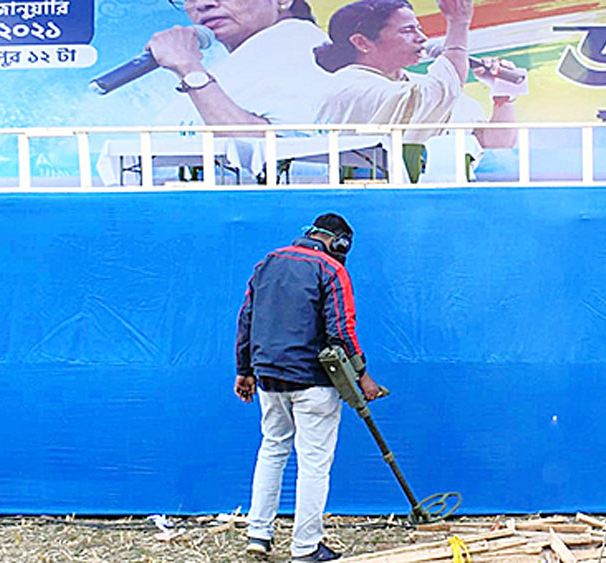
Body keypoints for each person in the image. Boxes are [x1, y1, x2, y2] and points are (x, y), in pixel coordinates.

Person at [235, 213, 381, 561]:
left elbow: (246, 320)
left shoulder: (266, 264)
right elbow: (341, 330)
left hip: (269, 379)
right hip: (313, 382)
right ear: (340, 242)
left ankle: (258, 533)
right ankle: (305, 547)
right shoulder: (331, 270)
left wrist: (244, 370)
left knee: (272, 450)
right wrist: (362, 375)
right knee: (314, 463)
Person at [312, 0, 525, 181]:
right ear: (362, 42)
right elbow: (438, 92)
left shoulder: (418, 86)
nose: (422, 38)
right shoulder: (347, 85)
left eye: (419, 28)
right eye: (407, 30)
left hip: (445, 202)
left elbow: (496, 142)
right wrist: (458, 24)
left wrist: (502, 96)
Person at [147, 0, 329, 128]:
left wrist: (189, 69)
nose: (202, 4)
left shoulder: (301, 45)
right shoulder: (245, 58)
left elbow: (274, 151)